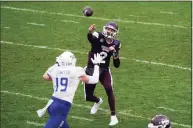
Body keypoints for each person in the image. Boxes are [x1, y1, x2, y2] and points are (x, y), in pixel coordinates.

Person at [36, 51, 102, 128]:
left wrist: (56, 66)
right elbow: (94, 79)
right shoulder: (76, 70)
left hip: (53, 103)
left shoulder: (54, 69)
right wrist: (97, 65)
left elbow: (45, 77)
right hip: (61, 108)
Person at [84, 21, 121, 126]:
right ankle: (98, 101)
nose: (109, 31)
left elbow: (117, 64)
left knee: (109, 89)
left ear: (115, 32)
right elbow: (91, 39)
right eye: (108, 29)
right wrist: (89, 32)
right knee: (88, 96)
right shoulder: (98, 35)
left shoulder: (116, 43)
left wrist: (114, 53)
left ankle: (113, 116)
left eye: (112, 30)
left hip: (104, 69)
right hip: (92, 68)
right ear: (105, 28)